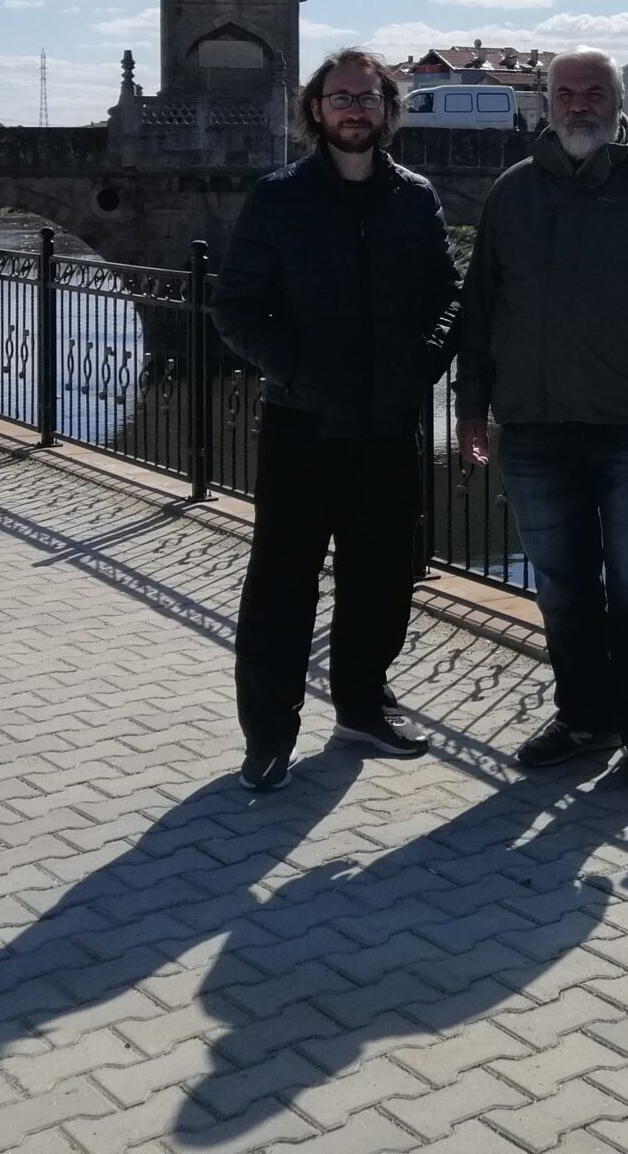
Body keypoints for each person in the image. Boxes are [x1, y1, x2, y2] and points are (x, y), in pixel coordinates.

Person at [454, 48, 628, 792]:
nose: (579, 105)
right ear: (547, 104)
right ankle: (584, 718)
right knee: (562, 584)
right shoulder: (514, 191)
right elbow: (481, 308)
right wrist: (472, 404)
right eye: (566, 94)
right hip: (533, 428)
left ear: (618, 101)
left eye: (594, 93)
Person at [214, 48, 460, 791]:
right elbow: (236, 307)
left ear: (387, 109)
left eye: (367, 97)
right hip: (304, 424)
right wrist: (298, 370)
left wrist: (421, 367)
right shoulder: (280, 196)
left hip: (389, 425)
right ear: (316, 110)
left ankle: (361, 708)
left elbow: (447, 298)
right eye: (341, 97)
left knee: (381, 578)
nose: (355, 109)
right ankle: (268, 735)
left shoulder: (414, 197)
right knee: (282, 584)